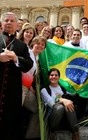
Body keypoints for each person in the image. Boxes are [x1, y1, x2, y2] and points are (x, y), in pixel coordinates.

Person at [0, 12, 33, 140]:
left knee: (10, 124)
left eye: (12, 21)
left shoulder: (22, 46)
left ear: (17, 25)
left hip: (12, 92)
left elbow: (29, 65)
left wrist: (16, 58)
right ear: (2, 24)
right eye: (6, 20)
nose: (9, 23)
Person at [41, 68, 80, 140]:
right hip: (53, 119)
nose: (54, 77)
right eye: (51, 75)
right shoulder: (44, 90)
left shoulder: (63, 89)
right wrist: (62, 100)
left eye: (56, 75)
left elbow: (73, 95)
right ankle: (52, 132)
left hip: (66, 119)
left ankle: (75, 132)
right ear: (48, 77)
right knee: (59, 107)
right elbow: (51, 104)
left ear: (59, 77)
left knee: (69, 104)